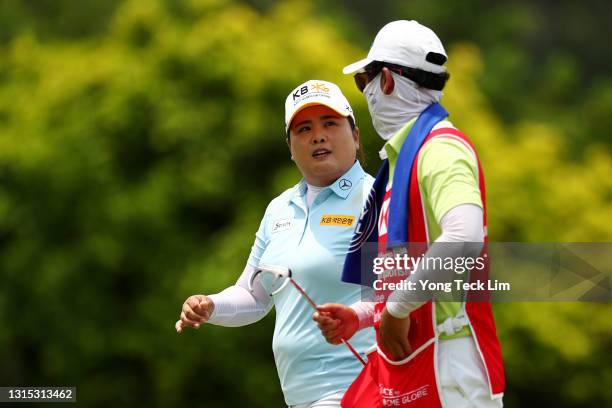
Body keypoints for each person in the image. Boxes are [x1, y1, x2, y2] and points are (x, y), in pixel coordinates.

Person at [313, 20, 505, 407]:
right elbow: (403, 277)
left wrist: (398, 308)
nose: (365, 92)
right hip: (421, 363)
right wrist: (364, 315)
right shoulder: (404, 161)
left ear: (386, 80)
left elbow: (463, 239)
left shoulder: (440, 149)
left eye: (364, 79)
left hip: (450, 366)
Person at [175, 79, 375, 407]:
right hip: (299, 396)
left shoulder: (376, 199)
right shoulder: (279, 208)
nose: (318, 135)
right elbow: (254, 296)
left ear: (355, 135)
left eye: (330, 123)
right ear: (290, 147)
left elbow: (396, 295)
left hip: (357, 388)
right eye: (304, 128)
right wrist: (210, 305)